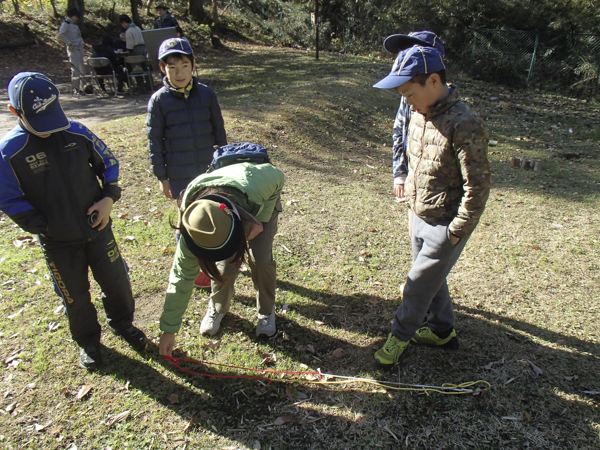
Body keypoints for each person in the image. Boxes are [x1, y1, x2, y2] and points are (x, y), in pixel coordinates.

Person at [0, 72, 148, 370]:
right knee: (75, 296)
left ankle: (123, 323)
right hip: (58, 242)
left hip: (99, 230)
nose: (49, 130)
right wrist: (42, 225)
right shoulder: (10, 152)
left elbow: (108, 163)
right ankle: (89, 341)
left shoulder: (77, 133)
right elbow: (8, 197)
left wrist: (109, 197)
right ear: (15, 112)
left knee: (117, 282)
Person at [372, 46, 491, 367]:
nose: (405, 101)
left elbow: (477, 186)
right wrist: (412, 207)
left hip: (446, 223)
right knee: (432, 282)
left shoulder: (465, 123)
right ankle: (441, 331)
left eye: (409, 93)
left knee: (416, 285)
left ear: (434, 81)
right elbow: (416, 163)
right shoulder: (417, 113)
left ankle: (398, 337)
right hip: (419, 214)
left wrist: (456, 231)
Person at [157, 149, 284, 356]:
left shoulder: (261, 183)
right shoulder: (194, 224)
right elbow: (181, 277)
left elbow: (278, 177)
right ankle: (218, 306)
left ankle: (266, 312)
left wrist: (261, 218)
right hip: (223, 208)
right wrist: (169, 330)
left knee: (260, 260)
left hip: (256, 197)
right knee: (225, 265)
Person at [147, 38, 227, 287]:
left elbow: (219, 131)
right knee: (186, 221)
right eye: (172, 67)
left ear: (193, 65)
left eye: (184, 65)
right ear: (163, 69)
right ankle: (193, 268)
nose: (179, 72)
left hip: (208, 170)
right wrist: (162, 177)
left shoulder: (206, 94)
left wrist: (225, 163)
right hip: (180, 175)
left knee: (212, 215)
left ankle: (217, 257)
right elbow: (154, 142)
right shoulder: (159, 102)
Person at [382, 31, 445, 204]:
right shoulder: (408, 97)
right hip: (415, 189)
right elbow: (399, 131)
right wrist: (400, 174)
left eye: (412, 50)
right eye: (403, 51)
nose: (404, 56)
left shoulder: (449, 110)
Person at [57, 8, 86, 96]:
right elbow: (60, 35)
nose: (76, 18)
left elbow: (79, 36)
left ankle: (84, 87)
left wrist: (82, 44)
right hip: (73, 49)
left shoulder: (75, 25)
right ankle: (76, 88)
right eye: (75, 16)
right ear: (71, 15)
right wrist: (69, 44)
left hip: (79, 48)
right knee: (75, 69)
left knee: (82, 68)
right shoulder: (66, 24)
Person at [119, 14, 150, 92]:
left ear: (123, 22)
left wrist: (128, 51)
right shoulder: (137, 28)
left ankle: (140, 86)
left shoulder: (129, 31)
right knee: (145, 68)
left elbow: (130, 44)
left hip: (135, 50)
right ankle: (149, 84)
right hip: (143, 48)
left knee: (137, 69)